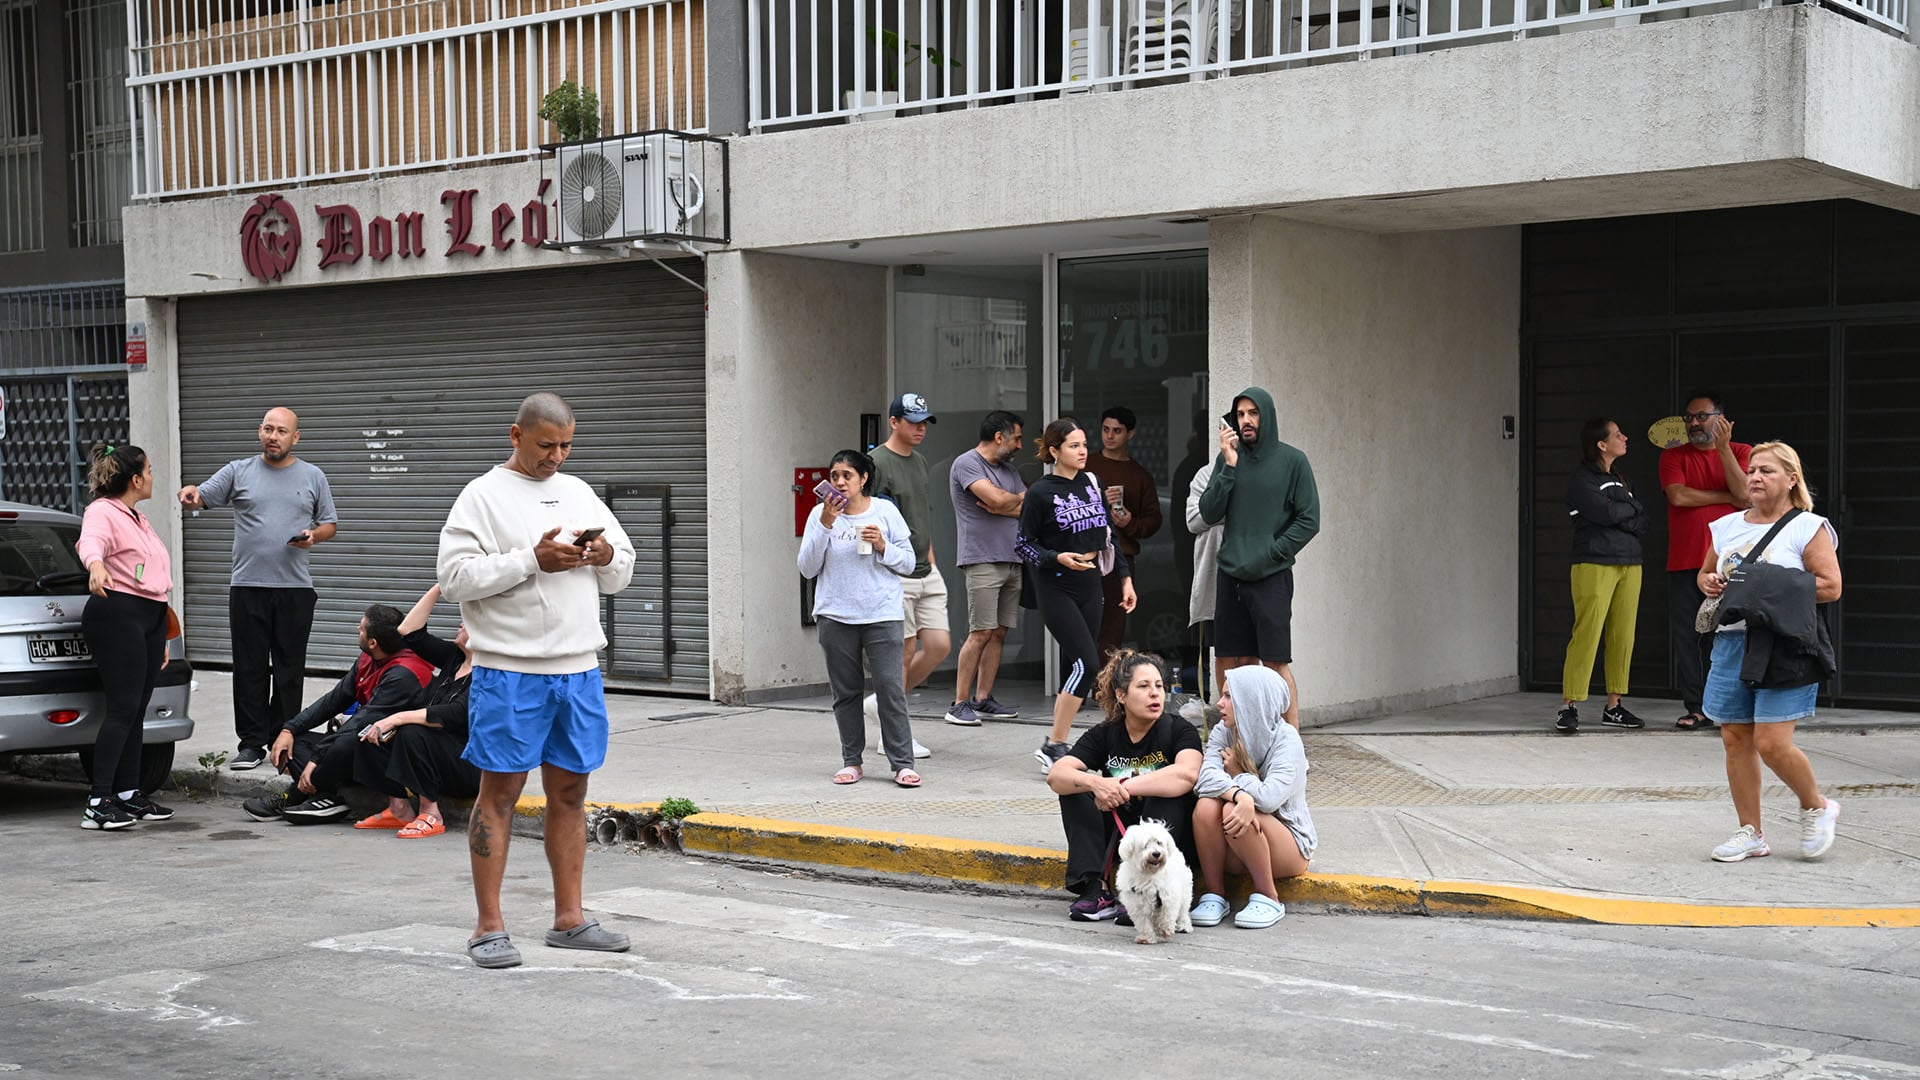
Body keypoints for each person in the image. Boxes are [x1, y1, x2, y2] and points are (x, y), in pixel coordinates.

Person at [439, 392, 637, 970]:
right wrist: (532, 560)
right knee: (498, 795)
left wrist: (601, 554)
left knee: (571, 794)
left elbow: (622, 568)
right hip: (509, 671)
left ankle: (569, 919)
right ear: (515, 435)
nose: (557, 455)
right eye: (546, 444)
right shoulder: (481, 496)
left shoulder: (577, 490)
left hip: (577, 668)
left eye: (567, 444)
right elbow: (453, 579)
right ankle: (488, 927)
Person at [1701, 442, 1843, 864]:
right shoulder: (1725, 526)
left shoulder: (1808, 527)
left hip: (1785, 643)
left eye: (1767, 471)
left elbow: (1830, 587)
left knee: (1772, 743)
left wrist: (1763, 585)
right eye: (1752, 470)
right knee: (1735, 737)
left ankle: (1816, 805)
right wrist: (1709, 582)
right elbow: (1706, 573)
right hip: (1731, 642)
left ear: (1791, 478)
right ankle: (1752, 833)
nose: (1756, 477)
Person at [179, 406, 339, 771]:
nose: (273, 436)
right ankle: (251, 743)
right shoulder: (239, 471)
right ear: (259, 432)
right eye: (268, 429)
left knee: (288, 668)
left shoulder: (313, 476)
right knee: (249, 667)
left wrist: (314, 535)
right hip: (247, 586)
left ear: (295, 438)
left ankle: (283, 737)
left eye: (282, 431)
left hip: (294, 589)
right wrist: (190, 494)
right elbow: (201, 495)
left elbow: (330, 523)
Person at [240, 603, 435, 823]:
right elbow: (333, 701)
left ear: (373, 642)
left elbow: (360, 723)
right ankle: (327, 799)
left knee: (346, 742)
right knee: (297, 741)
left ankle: (294, 796)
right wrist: (289, 728)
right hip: (361, 747)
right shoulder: (370, 657)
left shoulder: (404, 674)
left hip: (390, 759)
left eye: (361, 629)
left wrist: (315, 761)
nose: (356, 630)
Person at [1044, 649, 1201, 922]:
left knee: (1167, 793)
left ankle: (1152, 897)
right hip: (1119, 836)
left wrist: (1123, 785)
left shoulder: (1179, 730)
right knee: (1075, 792)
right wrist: (1096, 783)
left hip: (1165, 841)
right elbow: (1057, 775)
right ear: (1121, 695)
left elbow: (1186, 775)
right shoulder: (1105, 733)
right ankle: (1096, 888)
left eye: (1159, 686)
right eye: (1143, 686)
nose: (1155, 694)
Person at [1018, 418, 1137, 772]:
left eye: (1084, 444)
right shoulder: (1040, 492)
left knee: (1083, 664)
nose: (1082, 451)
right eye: (1073, 445)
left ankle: (1065, 742)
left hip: (1091, 581)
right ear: (1054, 451)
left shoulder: (1091, 482)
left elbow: (1109, 534)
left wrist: (1125, 579)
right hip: (1056, 584)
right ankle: (1053, 744)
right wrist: (1057, 557)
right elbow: (1024, 544)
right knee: (1087, 663)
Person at [1197, 387, 1320, 728]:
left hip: (1271, 577)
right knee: (1229, 660)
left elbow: (1309, 520)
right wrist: (1229, 466)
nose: (1246, 421)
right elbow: (1208, 512)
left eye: (1253, 413)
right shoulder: (1229, 459)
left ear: (1266, 416)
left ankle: (1291, 745)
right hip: (1231, 575)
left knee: (1275, 662)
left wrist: (1273, 552)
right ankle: (1235, 739)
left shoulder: (1293, 461)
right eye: (1240, 415)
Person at [798, 449, 920, 787]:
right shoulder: (819, 515)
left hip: (882, 613)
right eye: (834, 475)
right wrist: (825, 523)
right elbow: (807, 567)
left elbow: (909, 564)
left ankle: (902, 763)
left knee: (890, 688)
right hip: (835, 614)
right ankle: (852, 761)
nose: (839, 482)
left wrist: (883, 545)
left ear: (863, 479)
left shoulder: (885, 511)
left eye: (847, 475)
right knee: (845, 692)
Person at [74, 445, 176, 831]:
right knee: (122, 707)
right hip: (117, 614)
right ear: (135, 480)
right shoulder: (102, 511)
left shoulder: (136, 516)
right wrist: (96, 567)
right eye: (149, 470)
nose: (152, 475)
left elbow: (151, 578)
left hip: (148, 617)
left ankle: (129, 793)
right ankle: (98, 802)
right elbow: (91, 543)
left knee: (137, 708)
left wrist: (163, 630)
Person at [349, 583, 482, 839]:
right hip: (438, 756)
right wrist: (442, 586)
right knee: (370, 732)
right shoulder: (453, 658)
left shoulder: (488, 673)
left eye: (468, 624)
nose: (461, 626)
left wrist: (396, 718)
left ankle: (431, 813)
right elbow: (408, 631)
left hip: (470, 766)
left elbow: (454, 714)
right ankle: (399, 808)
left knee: (410, 731)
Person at [1189, 665, 1316, 930]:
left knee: (1230, 811)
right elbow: (1205, 779)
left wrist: (1238, 774)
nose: (1219, 704)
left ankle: (1269, 897)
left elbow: (1269, 799)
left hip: (1289, 848)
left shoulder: (1287, 741)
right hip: (1240, 845)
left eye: (1228, 696)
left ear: (1251, 700)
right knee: (1205, 807)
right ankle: (1215, 895)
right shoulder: (1224, 731)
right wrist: (1240, 795)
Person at [1661, 389, 1752, 732]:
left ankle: (1728, 706)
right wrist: (1727, 496)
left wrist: (1724, 449)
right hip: (1685, 562)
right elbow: (1678, 495)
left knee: (1730, 634)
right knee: (1689, 637)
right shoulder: (1674, 456)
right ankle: (1697, 708)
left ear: (1722, 420)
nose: (1694, 423)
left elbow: (1745, 495)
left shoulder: (1743, 451)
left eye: (1702, 416)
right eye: (1690, 417)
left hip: (1732, 564)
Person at [1555, 418, 1649, 734]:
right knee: (1588, 632)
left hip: (1631, 563)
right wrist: (1627, 509)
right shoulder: (1581, 479)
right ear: (1601, 444)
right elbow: (1604, 513)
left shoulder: (1622, 478)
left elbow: (1642, 518)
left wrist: (1624, 510)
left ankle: (1614, 706)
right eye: (1618, 434)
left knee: (1623, 636)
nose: (1625, 437)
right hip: (1593, 562)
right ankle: (1569, 706)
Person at [867, 392, 946, 758]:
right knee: (904, 650)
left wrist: (930, 556)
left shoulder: (920, 461)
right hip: (893, 570)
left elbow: (921, 514)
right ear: (894, 422)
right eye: (912, 422)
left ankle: (882, 704)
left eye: (924, 423)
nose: (920, 429)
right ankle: (892, 734)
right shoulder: (875, 463)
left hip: (925, 568)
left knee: (940, 646)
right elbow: (863, 515)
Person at [945, 410, 1026, 727]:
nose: (1019, 445)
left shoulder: (1008, 469)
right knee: (980, 632)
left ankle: (983, 698)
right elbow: (996, 499)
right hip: (981, 559)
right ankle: (959, 703)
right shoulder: (967, 464)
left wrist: (1008, 503)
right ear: (999, 437)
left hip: (1012, 558)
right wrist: (1008, 501)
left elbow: (1022, 505)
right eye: (1017, 437)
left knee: (999, 632)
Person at [1093, 406, 1163, 663]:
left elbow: (1154, 520)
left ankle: (1104, 684)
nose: (1110, 436)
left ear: (1130, 434)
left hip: (1121, 557)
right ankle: (1075, 684)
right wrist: (1100, 499)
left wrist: (1130, 522)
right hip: (1084, 554)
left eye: (1117, 431)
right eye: (1106, 430)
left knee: (1113, 622)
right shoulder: (1086, 464)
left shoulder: (1139, 475)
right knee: (1082, 622)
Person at [1184, 458, 1224, 699]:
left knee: (1256, 655)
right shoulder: (1206, 474)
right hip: (1216, 577)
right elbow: (1194, 520)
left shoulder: (1262, 468)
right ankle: (1230, 724)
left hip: (1254, 575)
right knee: (1224, 653)